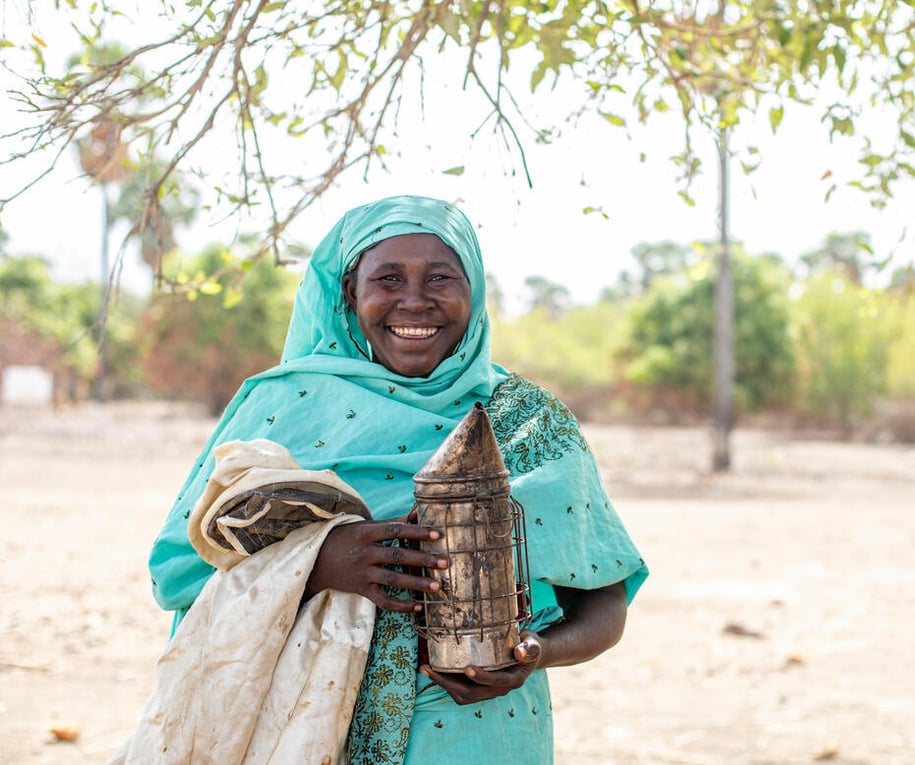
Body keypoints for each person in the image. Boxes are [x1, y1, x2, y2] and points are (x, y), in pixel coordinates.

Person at [147, 195, 648, 763]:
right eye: (388, 278)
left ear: (475, 291)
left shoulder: (529, 420)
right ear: (350, 294)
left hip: (478, 735)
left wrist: (533, 652)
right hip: (295, 733)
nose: (415, 300)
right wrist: (320, 560)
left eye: (440, 277)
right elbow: (177, 570)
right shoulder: (282, 405)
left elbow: (605, 601)